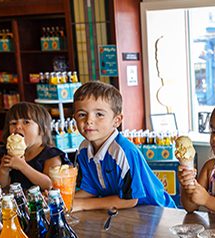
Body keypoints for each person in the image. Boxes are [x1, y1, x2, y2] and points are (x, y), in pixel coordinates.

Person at [72, 81, 175, 211]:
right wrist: (65, 200)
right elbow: (90, 189)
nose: (89, 121)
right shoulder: (83, 150)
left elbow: (130, 200)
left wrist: (81, 205)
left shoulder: (123, 151)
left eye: (99, 114)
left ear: (117, 120)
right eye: (82, 114)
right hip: (127, 214)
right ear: (74, 118)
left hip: (157, 213)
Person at [0, 102, 69, 190]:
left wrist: (23, 166)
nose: (18, 126)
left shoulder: (51, 155)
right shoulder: (8, 152)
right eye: (13, 123)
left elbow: (49, 184)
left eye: (26, 122)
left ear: (42, 129)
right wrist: (4, 169)